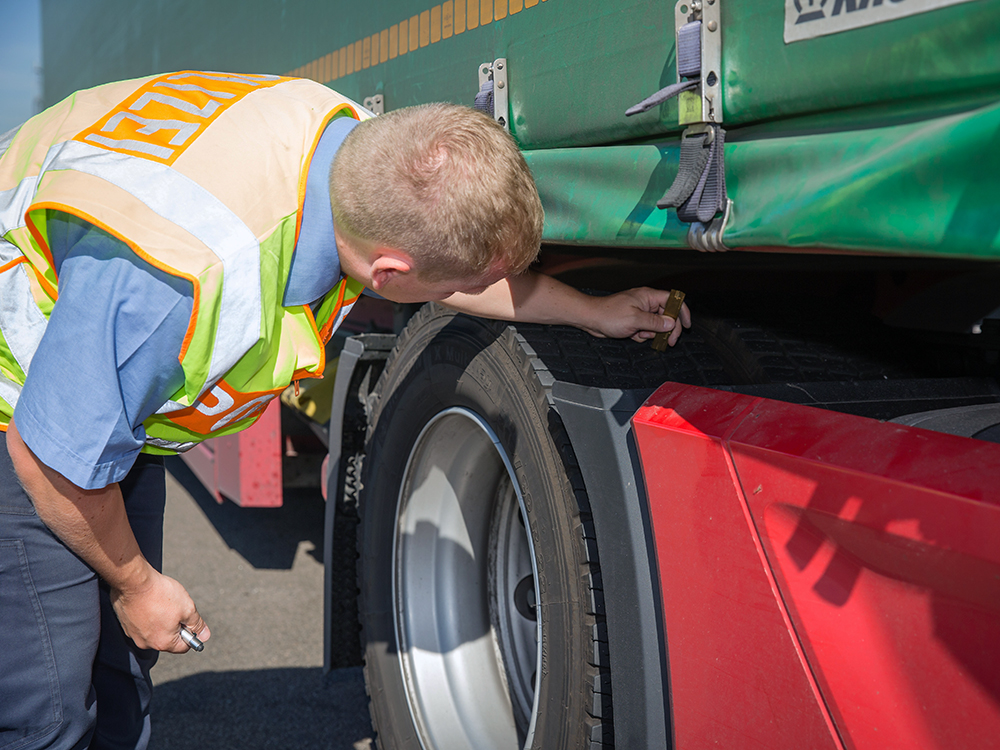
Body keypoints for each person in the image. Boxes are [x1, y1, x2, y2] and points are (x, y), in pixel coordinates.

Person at [0, 70, 690, 750]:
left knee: (122, 672)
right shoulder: (181, 280)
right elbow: (53, 458)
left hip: (106, 400)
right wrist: (136, 584)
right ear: (387, 274)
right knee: (52, 702)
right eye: (471, 281)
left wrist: (593, 313)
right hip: (26, 412)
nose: (483, 289)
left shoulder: (355, 153)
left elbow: (449, 284)